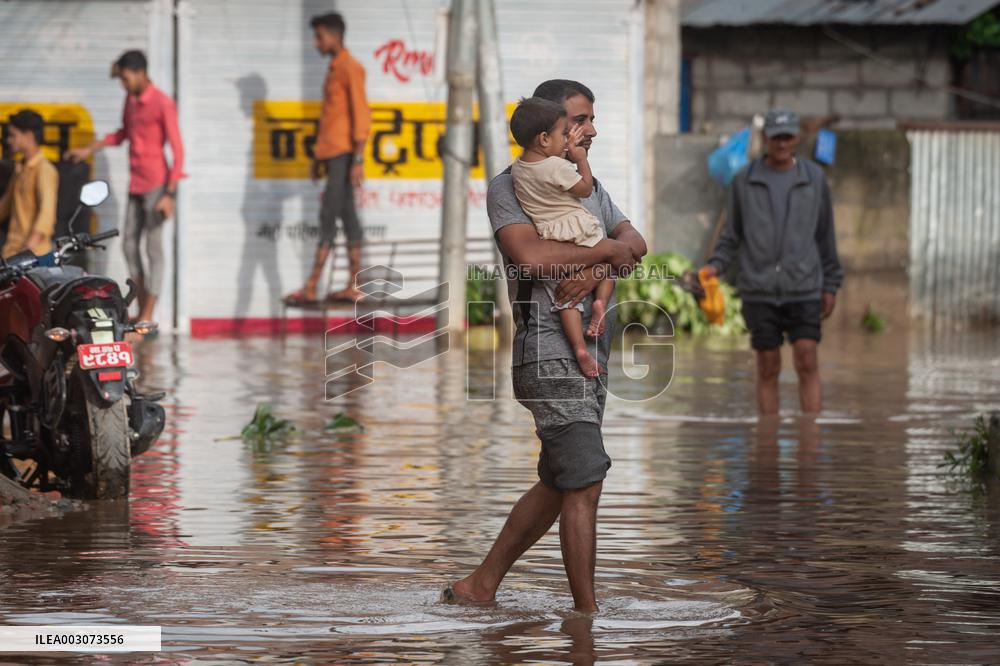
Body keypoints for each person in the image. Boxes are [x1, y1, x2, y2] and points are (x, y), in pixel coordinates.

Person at [443, 80, 646, 613]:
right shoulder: (509, 186)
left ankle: (479, 585)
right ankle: (587, 620)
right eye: (579, 121)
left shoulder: (587, 183)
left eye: (590, 119)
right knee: (585, 478)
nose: (590, 130)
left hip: (591, 352)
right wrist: (606, 253)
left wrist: (599, 264)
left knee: (559, 481)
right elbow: (531, 258)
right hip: (548, 349)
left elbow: (636, 244)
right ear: (547, 132)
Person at [702, 109, 843, 415]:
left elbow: (825, 236)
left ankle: (810, 436)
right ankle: (768, 437)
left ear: (797, 138)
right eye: (776, 137)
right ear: (765, 138)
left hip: (804, 287)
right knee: (767, 366)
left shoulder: (814, 179)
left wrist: (831, 285)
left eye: (787, 137)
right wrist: (715, 266)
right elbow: (731, 236)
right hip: (759, 289)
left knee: (807, 359)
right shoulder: (744, 181)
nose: (781, 143)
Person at [66, 50, 185, 324]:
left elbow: (178, 153)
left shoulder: (163, 103)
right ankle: (141, 310)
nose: (123, 84)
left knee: (153, 249)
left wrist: (169, 193)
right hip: (136, 184)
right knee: (129, 245)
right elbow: (122, 134)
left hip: (157, 186)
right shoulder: (130, 100)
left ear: (141, 73)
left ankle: (148, 316)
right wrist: (90, 149)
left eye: (126, 78)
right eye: (121, 79)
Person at [509, 96, 615, 378]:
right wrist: (580, 159)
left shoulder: (517, 169)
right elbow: (584, 188)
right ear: (544, 139)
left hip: (551, 237)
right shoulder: (556, 167)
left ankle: (579, 348)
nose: (569, 140)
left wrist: (563, 148)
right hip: (578, 229)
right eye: (564, 134)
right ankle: (600, 304)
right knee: (609, 260)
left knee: (566, 298)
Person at [284, 11, 371, 306]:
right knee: (348, 217)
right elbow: (331, 119)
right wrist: (317, 159)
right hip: (333, 155)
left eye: (320, 37)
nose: (316, 43)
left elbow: (361, 114)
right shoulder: (334, 69)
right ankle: (354, 285)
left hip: (344, 156)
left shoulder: (350, 68)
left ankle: (311, 285)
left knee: (328, 217)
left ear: (334, 36)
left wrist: (357, 159)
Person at [0, 109, 58, 258]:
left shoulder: (44, 170)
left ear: (29, 136)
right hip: (12, 253)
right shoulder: (20, 168)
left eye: (13, 135)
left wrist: (28, 250)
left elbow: (47, 214)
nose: (8, 140)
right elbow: (5, 206)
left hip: (33, 257)